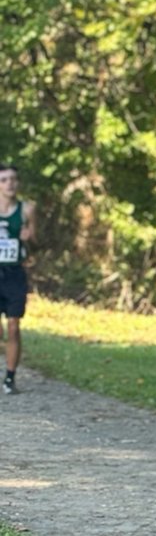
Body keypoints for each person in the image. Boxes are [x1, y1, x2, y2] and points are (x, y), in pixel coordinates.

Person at [0, 163, 36, 395]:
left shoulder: (27, 209)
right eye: (4, 180)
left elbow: (35, 244)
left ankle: (10, 378)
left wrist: (28, 238)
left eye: (13, 179)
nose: (10, 183)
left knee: (13, 327)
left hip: (14, 274)